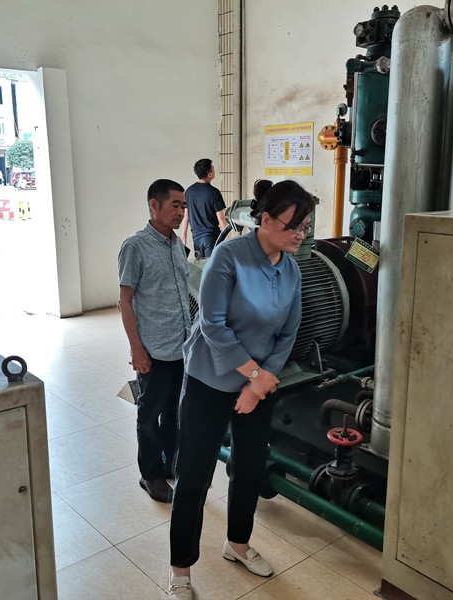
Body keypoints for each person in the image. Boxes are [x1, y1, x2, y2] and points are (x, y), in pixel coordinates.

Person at [167, 180, 315, 598]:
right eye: (293, 226)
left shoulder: (291, 270)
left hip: (259, 384)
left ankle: (238, 543)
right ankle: (181, 568)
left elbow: (288, 333)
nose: (300, 235)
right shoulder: (228, 258)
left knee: (249, 467)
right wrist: (253, 376)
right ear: (264, 219)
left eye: (305, 227)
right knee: (194, 475)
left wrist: (258, 384)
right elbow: (213, 324)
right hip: (210, 381)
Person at [118, 179, 192, 504]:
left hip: (182, 347)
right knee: (149, 414)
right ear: (154, 205)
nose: (181, 212)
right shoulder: (135, 246)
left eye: (183, 206)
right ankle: (150, 475)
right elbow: (125, 300)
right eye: (175, 205)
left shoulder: (176, 244)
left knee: (175, 411)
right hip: (155, 350)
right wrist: (137, 350)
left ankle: (169, 463)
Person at [179, 158, 227, 258]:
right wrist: (226, 239)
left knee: (201, 266)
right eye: (213, 168)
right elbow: (221, 219)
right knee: (213, 266)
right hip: (212, 238)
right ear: (209, 174)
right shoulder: (214, 192)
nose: (214, 170)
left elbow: (186, 217)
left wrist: (183, 236)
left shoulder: (189, 192)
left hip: (196, 239)